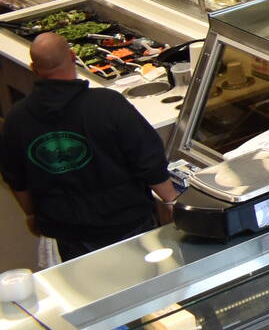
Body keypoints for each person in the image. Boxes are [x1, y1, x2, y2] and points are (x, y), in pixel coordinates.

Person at [1, 33, 179, 261]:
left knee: (87, 288)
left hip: (67, 230)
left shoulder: (17, 118)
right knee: (140, 285)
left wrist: (32, 215)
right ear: (73, 57)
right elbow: (147, 160)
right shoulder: (107, 104)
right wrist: (171, 200)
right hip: (127, 222)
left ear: (34, 68)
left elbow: (16, 179)